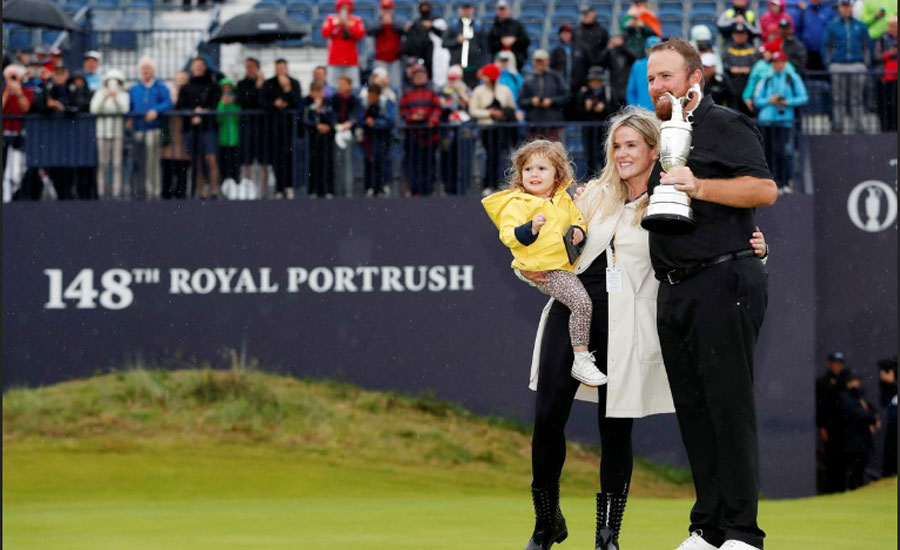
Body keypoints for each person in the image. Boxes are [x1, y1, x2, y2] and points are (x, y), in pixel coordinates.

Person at [518, 108, 770, 550]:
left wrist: (757, 253)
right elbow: (545, 243)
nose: (621, 154)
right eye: (616, 146)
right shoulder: (591, 195)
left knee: (615, 428)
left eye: (632, 145)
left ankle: (607, 535)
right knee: (546, 419)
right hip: (571, 313)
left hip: (625, 328)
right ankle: (545, 523)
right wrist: (531, 270)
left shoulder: (671, 200)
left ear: (655, 150)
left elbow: (710, 249)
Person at [645, 38, 777, 550]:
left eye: (667, 77)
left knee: (729, 409)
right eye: (652, 78)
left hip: (723, 280)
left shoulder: (726, 124)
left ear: (694, 79)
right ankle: (708, 527)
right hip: (675, 289)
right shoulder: (657, 134)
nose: (658, 86)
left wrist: (699, 186)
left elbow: (763, 190)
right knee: (696, 415)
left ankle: (743, 532)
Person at [483, 139, 606, 387]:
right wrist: (532, 228)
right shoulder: (516, 203)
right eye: (528, 169)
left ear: (557, 173)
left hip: (566, 266)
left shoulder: (563, 199)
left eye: (541, 169)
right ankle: (581, 358)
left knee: (582, 304)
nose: (534, 174)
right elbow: (508, 235)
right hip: (546, 270)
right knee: (582, 303)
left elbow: (578, 219)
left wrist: (578, 231)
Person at [754, 50, 808, 193]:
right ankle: (772, 182)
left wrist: (787, 102)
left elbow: (803, 97)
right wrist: (769, 100)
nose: (777, 65)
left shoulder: (792, 78)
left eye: (780, 62)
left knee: (783, 151)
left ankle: (785, 181)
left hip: (784, 121)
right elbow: (757, 100)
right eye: (775, 62)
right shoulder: (766, 78)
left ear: (785, 63)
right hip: (767, 121)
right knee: (768, 152)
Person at [822, 0, 872, 134]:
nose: (846, 9)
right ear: (839, 8)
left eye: (848, 6)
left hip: (856, 64)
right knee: (838, 98)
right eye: (843, 6)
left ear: (851, 8)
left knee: (857, 98)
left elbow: (867, 46)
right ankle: (838, 127)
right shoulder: (833, 26)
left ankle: (859, 127)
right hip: (838, 65)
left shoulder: (861, 26)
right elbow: (826, 46)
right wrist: (829, 64)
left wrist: (865, 64)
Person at [128, 57, 173, 200]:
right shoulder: (134, 89)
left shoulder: (160, 87)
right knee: (139, 162)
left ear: (153, 71)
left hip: (154, 129)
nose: (146, 71)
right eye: (144, 69)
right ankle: (140, 190)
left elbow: (168, 103)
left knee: (153, 161)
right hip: (138, 130)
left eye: (149, 68)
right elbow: (130, 107)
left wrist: (156, 110)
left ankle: (154, 191)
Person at [468, 63, 516, 197]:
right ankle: (489, 183)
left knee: (499, 156)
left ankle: (498, 183)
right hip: (486, 128)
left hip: (501, 129)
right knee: (490, 156)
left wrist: (503, 114)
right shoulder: (479, 91)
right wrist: (489, 113)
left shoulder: (504, 90)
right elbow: (473, 110)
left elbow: (511, 108)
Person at [176, 57, 221, 199]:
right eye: (196, 65)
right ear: (191, 68)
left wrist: (204, 112)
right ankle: (201, 191)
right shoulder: (186, 87)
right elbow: (180, 106)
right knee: (198, 160)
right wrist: (192, 114)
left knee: (211, 158)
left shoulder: (213, 86)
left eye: (201, 65)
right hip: (191, 128)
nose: (199, 67)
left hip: (209, 127)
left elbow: (215, 105)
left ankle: (214, 191)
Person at [261, 59, 302, 199]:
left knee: (289, 157)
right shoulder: (269, 84)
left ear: (286, 68)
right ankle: (279, 188)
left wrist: (287, 90)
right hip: (273, 128)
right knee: (275, 158)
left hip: (289, 128)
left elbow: (298, 103)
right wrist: (275, 104)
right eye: (278, 68)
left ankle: (289, 186)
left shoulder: (294, 83)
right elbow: (263, 102)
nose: (280, 71)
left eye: (282, 68)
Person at [399, 64, 441, 196]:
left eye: (421, 76)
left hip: (429, 135)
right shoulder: (407, 92)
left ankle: (427, 190)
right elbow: (403, 110)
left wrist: (431, 120)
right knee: (413, 164)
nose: (419, 78)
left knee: (428, 164)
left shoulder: (431, 91)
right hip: (413, 135)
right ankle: (415, 190)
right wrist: (412, 117)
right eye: (417, 76)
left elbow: (437, 108)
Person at [835, 369, 880, 491]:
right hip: (851, 440)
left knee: (861, 466)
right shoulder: (843, 396)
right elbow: (856, 413)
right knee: (851, 467)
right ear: (847, 383)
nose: (856, 383)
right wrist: (871, 419)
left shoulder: (859, 397)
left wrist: (874, 417)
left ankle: (857, 489)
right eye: (853, 381)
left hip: (862, 439)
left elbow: (871, 409)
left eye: (857, 381)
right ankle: (849, 489)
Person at [90, 69, 130, 200]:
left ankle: (116, 192)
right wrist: (105, 97)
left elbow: (124, 109)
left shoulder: (123, 95)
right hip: (102, 133)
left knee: (117, 164)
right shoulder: (100, 93)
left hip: (117, 134)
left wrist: (116, 97)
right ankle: (101, 192)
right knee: (102, 163)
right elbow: (94, 109)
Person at [437, 64, 473, 195]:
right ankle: (449, 187)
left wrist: (460, 92)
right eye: (451, 78)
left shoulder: (466, 90)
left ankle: (463, 187)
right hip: (448, 131)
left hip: (463, 130)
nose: (453, 81)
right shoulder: (443, 90)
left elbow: (470, 104)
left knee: (463, 159)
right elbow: (443, 105)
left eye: (455, 78)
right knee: (448, 159)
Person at [518, 49, 569, 140]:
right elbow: (521, 101)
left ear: (548, 61)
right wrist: (531, 101)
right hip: (533, 123)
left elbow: (565, 96)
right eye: (538, 60)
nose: (540, 63)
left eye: (542, 60)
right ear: (533, 62)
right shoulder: (528, 79)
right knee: (535, 151)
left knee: (552, 150)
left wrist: (552, 101)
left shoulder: (556, 77)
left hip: (552, 122)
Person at [815, 351, 847, 494]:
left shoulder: (846, 380)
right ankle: (831, 489)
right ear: (830, 364)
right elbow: (821, 406)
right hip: (829, 426)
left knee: (843, 459)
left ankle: (842, 489)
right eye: (835, 363)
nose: (838, 366)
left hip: (844, 427)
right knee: (831, 459)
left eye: (840, 364)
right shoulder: (822, 381)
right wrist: (822, 427)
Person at [356, 82, 395, 197]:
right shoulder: (364, 102)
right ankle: (370, 187)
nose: (371, 98)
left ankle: (383, 186)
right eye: (369, 95)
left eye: (373, 96)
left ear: (378, 95)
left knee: (382, 161)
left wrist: (376, 123)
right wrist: (367, 123)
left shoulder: (386, 102)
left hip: (383, 137)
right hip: (369, 137)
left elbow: (391, 121)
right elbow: (359, 119)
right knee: (369, 161)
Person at [236, 57, 267, 198]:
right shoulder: (242, 84)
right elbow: (243, 100)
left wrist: (260, 88)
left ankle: (262, 191)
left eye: (252, 66)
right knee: (246, 159)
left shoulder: (266, 85)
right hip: (246, 125)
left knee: (262, 160)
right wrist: (256, 88)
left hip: (261, 127)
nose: (250, 69)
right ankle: (247, 190)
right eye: (247, 66)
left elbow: (264, 103)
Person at [444, 0, 491, 89]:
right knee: (456, 93)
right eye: (463, 8)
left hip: (474, 68)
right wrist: (456, 41)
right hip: (458, 67)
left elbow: (485, 49)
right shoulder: (453, 27)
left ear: (473, 10)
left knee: (475, 92)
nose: (466, 11)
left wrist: (482, 66)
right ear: (459, 10)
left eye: (468, 8)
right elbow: (444, 42)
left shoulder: (478, 27)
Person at [577, 66, 612, 177]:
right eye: (593, 81)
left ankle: (605, 176)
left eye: (598, 81)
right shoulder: (584, 93)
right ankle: (590, 177)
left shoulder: (608, 92)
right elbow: (577, 111)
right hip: (589, 128)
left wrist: (604, 108)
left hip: (604, 127)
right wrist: (587, 108)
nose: (595, 83)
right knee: (589, 153)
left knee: (604, 153)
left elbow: (615, 109)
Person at [302, 81, 336, 198]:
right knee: (314, 164)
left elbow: (332, 119)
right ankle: (313, 190)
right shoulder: (308, 105)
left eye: (319, 92)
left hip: (327, 139)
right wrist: (316, 125)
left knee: (327, 163)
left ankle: (328, 190)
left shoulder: (328, 104)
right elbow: (306, 120)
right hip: (314, 139)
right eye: (315, 92)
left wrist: (326, 124)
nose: (317, 95)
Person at [161, 71, 191, 199]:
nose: (181, 81)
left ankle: (181, 193)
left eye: (183, 79)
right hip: (170, 135)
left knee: (182, 166)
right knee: (167, 166)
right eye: (178, 79)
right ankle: (166, 193)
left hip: (183, 134)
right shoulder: (168, 95)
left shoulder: (189, 94)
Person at [322, 0, 366, 89]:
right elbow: (325, 33)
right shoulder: (331, 18)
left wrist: (348, 25)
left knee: (353, 87)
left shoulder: (356, 20)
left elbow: (360, 35)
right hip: (335, 60)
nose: (345, 9)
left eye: (347, 6)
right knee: (333, 87)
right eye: (343, 6)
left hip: (350, 60)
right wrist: (338, 24)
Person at [369, 0, 407, 94]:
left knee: (396, 87)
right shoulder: (377, 21)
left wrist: (392, 23)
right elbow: (369, 30)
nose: (386, 11)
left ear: (392, 9)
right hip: (380, 59)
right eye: (384, 8)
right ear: (381, 10)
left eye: (388, 8)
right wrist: (383, 23)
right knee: (379, 85)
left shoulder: (397, 21)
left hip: (395, 59)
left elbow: (406, 28)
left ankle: (396, 107)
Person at [722, 23, 759, 116]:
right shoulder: (728, 48)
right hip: (732, 86)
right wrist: (743, 70)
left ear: (746, 35)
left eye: (742, 33)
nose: (740, 36)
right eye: (737, 34)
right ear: (733, 35)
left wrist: (737, 70)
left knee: (748, 115)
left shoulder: (752, 49)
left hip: (748, 86)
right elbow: (727, 67)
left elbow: (754, 68)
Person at [331, 75, 359, 197]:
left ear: (349, 85)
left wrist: (350, 123)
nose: (340, 87)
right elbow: (332, 114)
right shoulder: (334, 99)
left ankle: (349, 191)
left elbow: (357, 115)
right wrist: (336, 124)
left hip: (349, 134)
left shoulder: (354, 99)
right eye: (339, 84)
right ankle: (338, 191)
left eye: (343, 84)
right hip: (337, 133)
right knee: (337, 162)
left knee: (348, 162)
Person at [487, 0, 530, 76]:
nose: (502, 12)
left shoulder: (517, 25)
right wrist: (501, 42)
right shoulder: (494, 28)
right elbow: (489, 46)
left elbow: (526, 41)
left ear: (509, 10)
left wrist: (514, 40)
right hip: (498, 63)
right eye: (500, 9)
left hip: (516, 62)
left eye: (504, 9)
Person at [403, 0, 441, 82]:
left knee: (432, 76)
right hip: (419, 53)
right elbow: (411, 39)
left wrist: (432, 26)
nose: (424, 8)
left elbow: (443, 34)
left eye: (426, 6)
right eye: (422, 6)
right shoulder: (416, 22)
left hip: (434, 55)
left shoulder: (437, 20)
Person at [795, 0, 837, 72]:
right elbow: (798, 30)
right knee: (807, 76)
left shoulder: (829, 12)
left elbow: (834, 32)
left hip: (823, 52)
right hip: (807, 51)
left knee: (823, 76)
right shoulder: (804, 12)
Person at [597, 34, 637, 112]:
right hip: (614, 87)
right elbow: (600, 62)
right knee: (615, 111)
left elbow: (634, 58)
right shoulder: (611, 52)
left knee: (628, 111)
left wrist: (621, 46)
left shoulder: (627, 50)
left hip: (627, 86)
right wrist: (608, 48)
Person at [574, 6, 611, 86]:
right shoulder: (577, 30)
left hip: (598, 67)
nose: (585, 17)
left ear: (593, 14)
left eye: (587, 14)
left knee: (597, 92)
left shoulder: (601, 31)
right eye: (584, 15)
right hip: (581, 68)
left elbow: (606, 48)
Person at [216, 78, 241, 192]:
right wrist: (222, 103)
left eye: (229, 90)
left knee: (235, 166)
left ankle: (235, 187)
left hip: (235, 140)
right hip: (223, 140)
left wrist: (231, 104)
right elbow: (218, 118)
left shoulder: (235, 105)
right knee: (223, 166)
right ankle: (224, 188)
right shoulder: (220, 104)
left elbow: (238, 117)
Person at [626, 35, 662, 111]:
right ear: (646, 50)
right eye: (649, 48)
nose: (652, 51)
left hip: (663, 112)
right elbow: (631, 91)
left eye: (655, 49)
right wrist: (634, 110)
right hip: (642, 112)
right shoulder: (638, 66)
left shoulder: (669, 65)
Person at [875, 15, 898, 131]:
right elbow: (877, 56)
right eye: (892, 26)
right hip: (886, 78)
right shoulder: (882, 39)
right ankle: (886, 129)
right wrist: (889, 53)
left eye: (896, 26)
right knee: (886, 105)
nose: (893, 28)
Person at [877, 356, 897, 478]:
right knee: (891, 452)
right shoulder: (887, 384)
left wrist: (893, 382)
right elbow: (884, 402)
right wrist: (888, 384)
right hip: (893, 423)